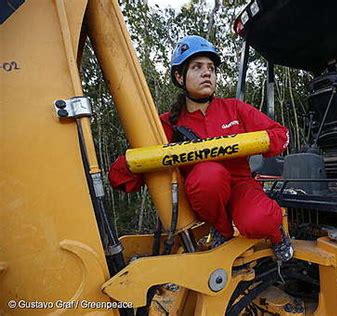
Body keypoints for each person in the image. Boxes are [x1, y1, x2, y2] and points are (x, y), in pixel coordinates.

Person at [109, 35, 293, 262]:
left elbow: (280, 135)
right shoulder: (167, 124)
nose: (207, 73)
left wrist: (261, 142)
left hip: (241, 186)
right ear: (179, 76)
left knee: (259, 219)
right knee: (208, 174)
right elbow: (120, 178)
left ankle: (277, 235)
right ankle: (222, 233)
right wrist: (131, 164)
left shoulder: (234, 109)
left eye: (211, 68)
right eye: (197, 67)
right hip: (203, 196)